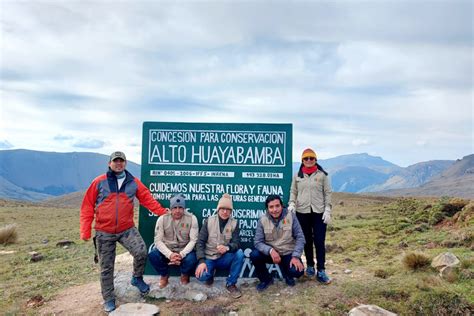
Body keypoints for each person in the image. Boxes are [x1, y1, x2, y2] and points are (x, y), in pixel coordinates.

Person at [80, 151, 168, 312]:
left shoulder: (133, 182)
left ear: (125, 163)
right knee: (106, 267)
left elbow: (147, 199)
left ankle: (136, 278)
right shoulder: (99, 182)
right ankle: (108, 299)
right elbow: (87, 206)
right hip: (103, 231)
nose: (118, 164)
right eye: (115, 161)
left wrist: (163, 212)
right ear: (110, 163)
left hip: (126, 228)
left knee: (141, 251)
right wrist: (85, 230)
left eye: (121, 161)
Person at [288, 148, 332, 284]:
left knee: (319, 241)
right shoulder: (297, 176)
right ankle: (310, 267)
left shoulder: (322, 175)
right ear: (302, 160)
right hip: (302, 212)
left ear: (315, 160)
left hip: (319, 213)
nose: (308, 161)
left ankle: (321, 270)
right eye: (306, 158)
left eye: (311, 158)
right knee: (306, 241)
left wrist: (328, 209)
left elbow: (328, 193)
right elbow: (293, 192)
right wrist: (292, 204)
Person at [250, 195, 305, 291]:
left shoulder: (291, 216)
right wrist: (270, 250)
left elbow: (300, 237)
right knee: (254, 255)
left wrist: (296, 256)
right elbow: (258, 242)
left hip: (288, 253)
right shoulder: (262, 220)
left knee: (297, 271)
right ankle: (266, 280)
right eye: (271, 207)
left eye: (277, 206)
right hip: (271, 254)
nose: (275, 209)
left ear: (281, 206)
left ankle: (288, 275)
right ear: (267, 208)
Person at [195, 193, 245, 299]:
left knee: (239, 253)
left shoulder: (234, 223)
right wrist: (201, 262)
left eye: (228, 209)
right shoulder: (209, 221)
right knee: (201, 276)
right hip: (209, 257)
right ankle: (210, 273)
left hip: (224, 258)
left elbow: (237, 243)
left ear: (231, 211)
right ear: (218, 209)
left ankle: (231, 284)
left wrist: (227, 248)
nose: (225, 212)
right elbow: (200, 243)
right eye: (222, 209)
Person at [148, 194, 198, 288]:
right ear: (171, 208)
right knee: (153, 255)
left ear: (184, 208)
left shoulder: (192, 219)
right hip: (167, 249)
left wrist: (181, 254)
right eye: (175, 208)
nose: (178, 210)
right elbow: (157, 241)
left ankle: (184, 274)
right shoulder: (162, 219)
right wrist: (170, 254)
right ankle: (164, 275)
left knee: (192, 258)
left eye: (180, 207)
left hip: (184, 250)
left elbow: (193, 240)